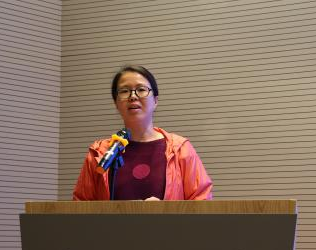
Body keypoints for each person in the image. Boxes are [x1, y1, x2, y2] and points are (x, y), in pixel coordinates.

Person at [72, 65, 213, 201]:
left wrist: (164, 210)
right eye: (124, 91)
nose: (133, 96)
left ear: (155, 100)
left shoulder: (180, 149)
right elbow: (81, 205)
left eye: (141, 89)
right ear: (116, 103)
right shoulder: (98, 153)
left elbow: (202, 200)